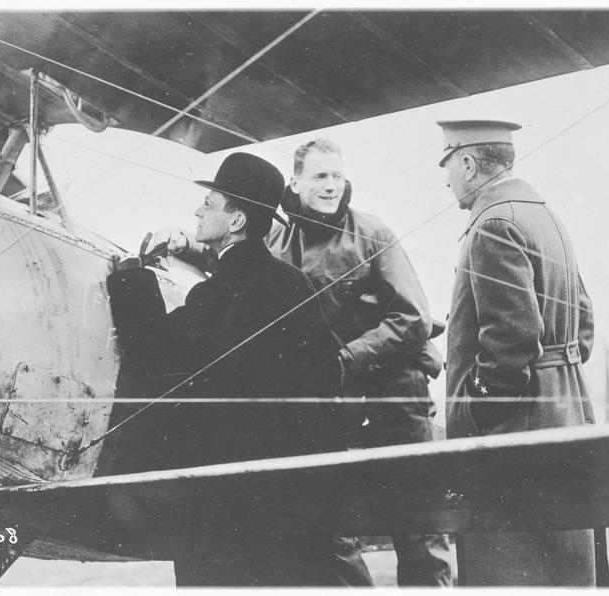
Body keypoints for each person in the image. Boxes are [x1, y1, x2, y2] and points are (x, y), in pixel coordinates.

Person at [154, 139, 452, 587]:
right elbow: (241, 258)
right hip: (338, 402)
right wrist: (183, 244)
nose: (331, 186)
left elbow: (412, 318)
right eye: (319, 176)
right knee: (330, 530)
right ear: (295, 183)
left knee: (417, 529)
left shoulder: (373, 232)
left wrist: (341, 361)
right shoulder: (279, 237)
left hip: (393, 398)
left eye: (337, 176)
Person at [106, 152, 349, 586]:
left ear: (236, 220)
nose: (198, 210)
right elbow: (331, 374)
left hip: (224, 505)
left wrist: (131, 278)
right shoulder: (294, 283)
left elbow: (153, 351)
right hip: (289, 501)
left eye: (211, 203)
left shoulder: (221, 292)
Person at [438, 119, 604, 586]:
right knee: (565, 567)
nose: (446, 177)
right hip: (566, 410)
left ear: (468, 163)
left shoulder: (493, 224)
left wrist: (475, 407)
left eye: (447, 163)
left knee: (512, 569)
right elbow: (584, 326)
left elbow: (511, 341)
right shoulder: (544, 216)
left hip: (516, 425)